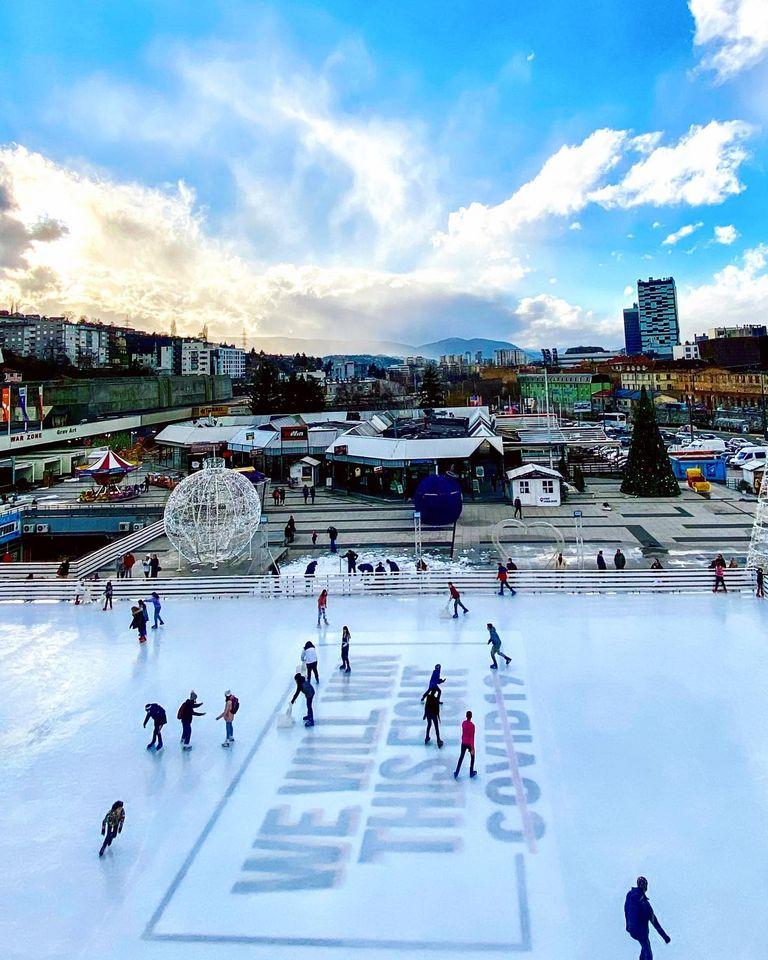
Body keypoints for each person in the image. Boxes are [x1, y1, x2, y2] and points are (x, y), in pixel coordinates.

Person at [624, 876, 670, 959]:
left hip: (633, 930)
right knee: (647, 951)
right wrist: (665, 937)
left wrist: (629, 927)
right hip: (641, 932)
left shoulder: (630, 896)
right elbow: (655, 922)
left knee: (644, 948)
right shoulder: (644, 903)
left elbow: (626, 910)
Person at [453, 711, 477, 779]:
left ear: (466, 716)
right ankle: (471, 772)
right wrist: (472, 748)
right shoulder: (472, 726)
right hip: (469, 743)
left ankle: (456, 772)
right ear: (471, 716)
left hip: (463, 742)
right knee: (472, 758)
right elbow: (472, 737)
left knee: (461, 757)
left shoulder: (463, 723)